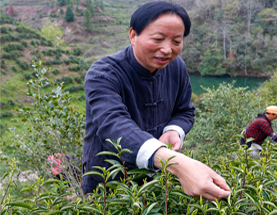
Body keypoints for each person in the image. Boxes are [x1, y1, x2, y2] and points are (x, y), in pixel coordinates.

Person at [82, 1, 231, 201]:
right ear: (133, 35)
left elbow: (184, 111)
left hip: (156, 178)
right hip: (109, 182)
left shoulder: (176, 67)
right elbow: (115, 126)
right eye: (158, 39)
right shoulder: (104, 74)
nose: (167, 50)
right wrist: (178, 165)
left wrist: (173, 130)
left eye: (176, 42)